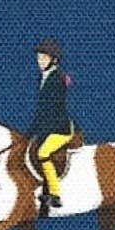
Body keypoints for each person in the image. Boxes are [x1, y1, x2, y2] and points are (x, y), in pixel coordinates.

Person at [28, 40, 76, 214]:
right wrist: (31, 131)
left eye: (43, 58)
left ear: (54, 60)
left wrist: (40, 131)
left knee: (43, 153)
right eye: (38, 58)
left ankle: (54, 193)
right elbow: (41, 110)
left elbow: (53, 110)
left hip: (59, 128)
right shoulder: (42, 77)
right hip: (47, 125)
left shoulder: (57, 79)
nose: (39, 61)